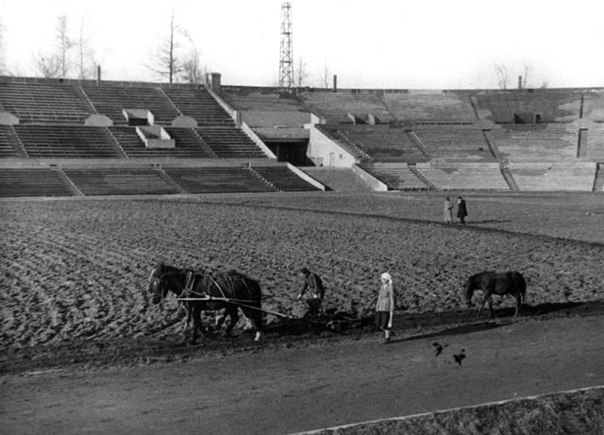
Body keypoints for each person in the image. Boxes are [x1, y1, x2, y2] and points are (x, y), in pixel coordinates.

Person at [375, 272, 396, 343]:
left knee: (384, 323)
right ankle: (388, 333)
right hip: (381, 306)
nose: (381, 280)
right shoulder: (382, 287)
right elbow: (379, 296)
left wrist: (392, 306)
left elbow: (391, 297)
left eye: (382, 279)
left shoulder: (390, 287)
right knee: (378, 323)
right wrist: (377, 305)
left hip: (386, 306)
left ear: (386, 280)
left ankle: (387, 337)